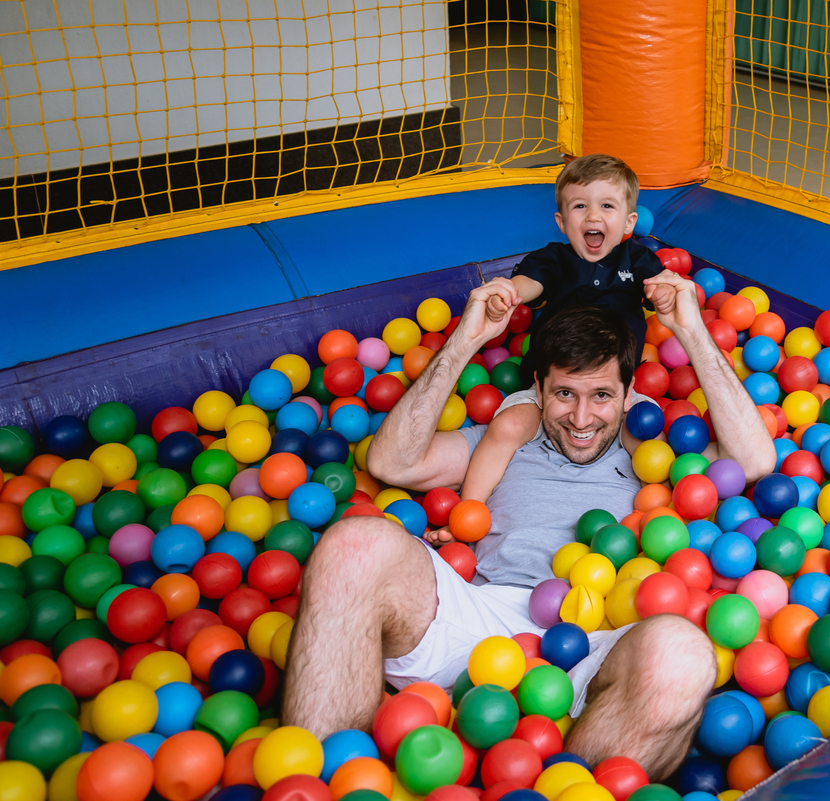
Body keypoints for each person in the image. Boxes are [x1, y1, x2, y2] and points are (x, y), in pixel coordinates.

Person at [282, 271, 775, 780]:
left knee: (683, 652)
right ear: (537, 387)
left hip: (600, 637)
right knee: (355, 542)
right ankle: (317, 782)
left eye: (602, 396)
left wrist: (692, 330)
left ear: (629, 395)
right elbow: (391, 464)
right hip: (480, 620)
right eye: (564, 394)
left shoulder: (658, 456)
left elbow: (755, 460)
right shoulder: (505, 438)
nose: (582, 418)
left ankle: (565, 785)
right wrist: (466, 340)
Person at [459, 153, 667, 506]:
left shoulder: (638, 259)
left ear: (629, 221)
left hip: (611, 391)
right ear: (561, 220)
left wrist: (664, 290)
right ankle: (470, 509)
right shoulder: (554, 259)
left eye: (606, 206)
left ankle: (664, 514)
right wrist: (509, 295)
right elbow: (530, 283)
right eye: (580, 207)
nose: (593, 216)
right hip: (552, 391)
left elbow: (657, 286)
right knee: (508, 426)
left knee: (648, 438)